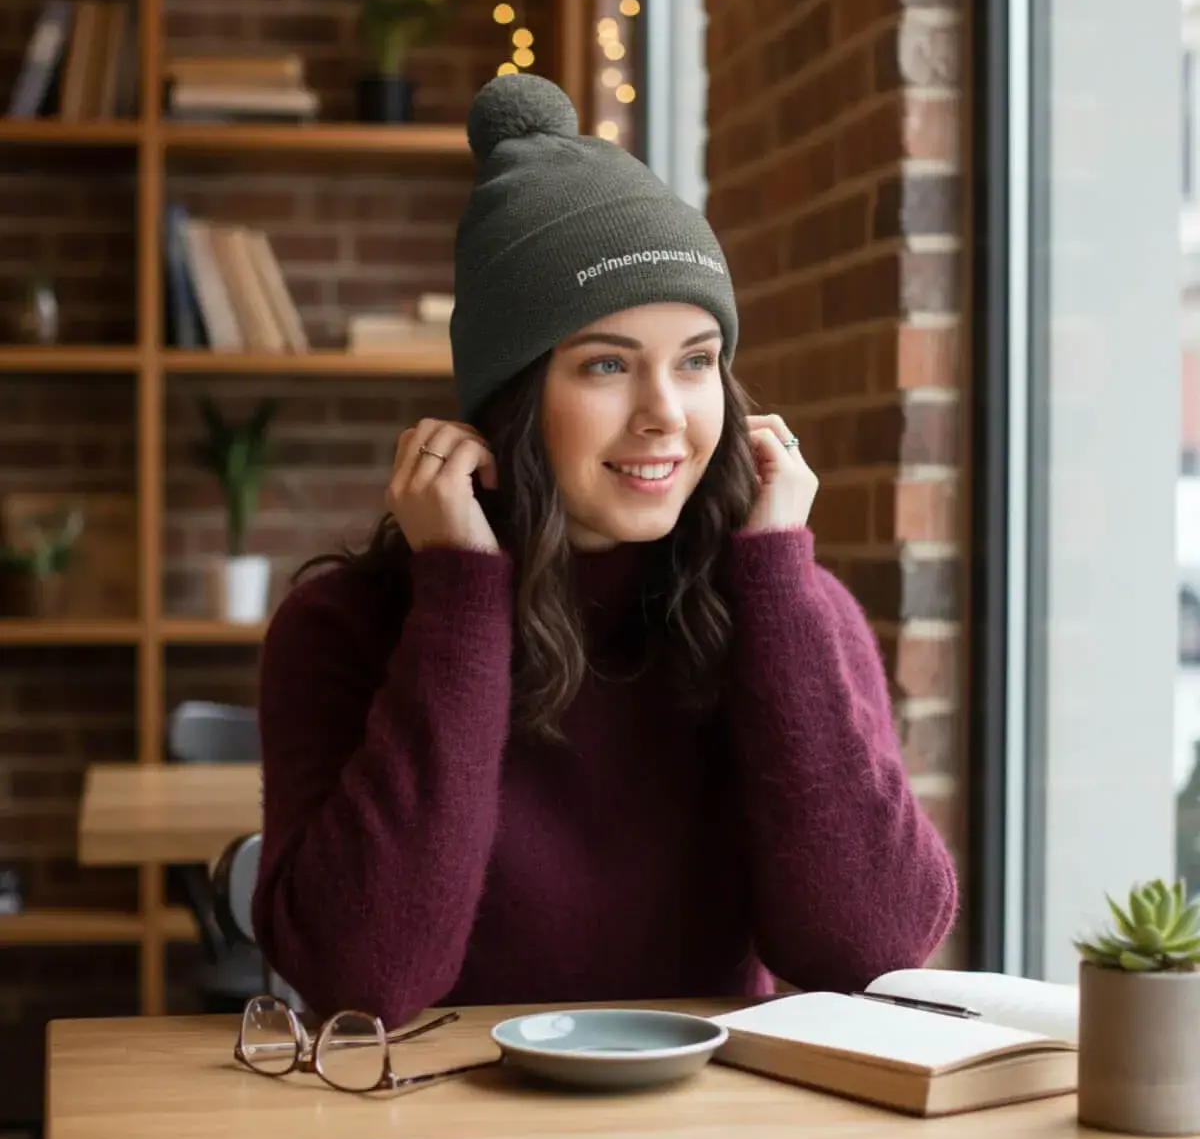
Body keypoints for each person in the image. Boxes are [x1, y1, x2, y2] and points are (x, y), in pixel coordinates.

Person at [251, 73, 958, 1029]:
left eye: (698, 360)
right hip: (435, 1135)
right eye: (607, 364)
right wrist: (461, 597)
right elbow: (366, 978)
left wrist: (779, 587)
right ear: (511, 399)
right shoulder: (344, 629)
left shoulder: (787, 609)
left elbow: (869, 949)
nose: (666, 412)